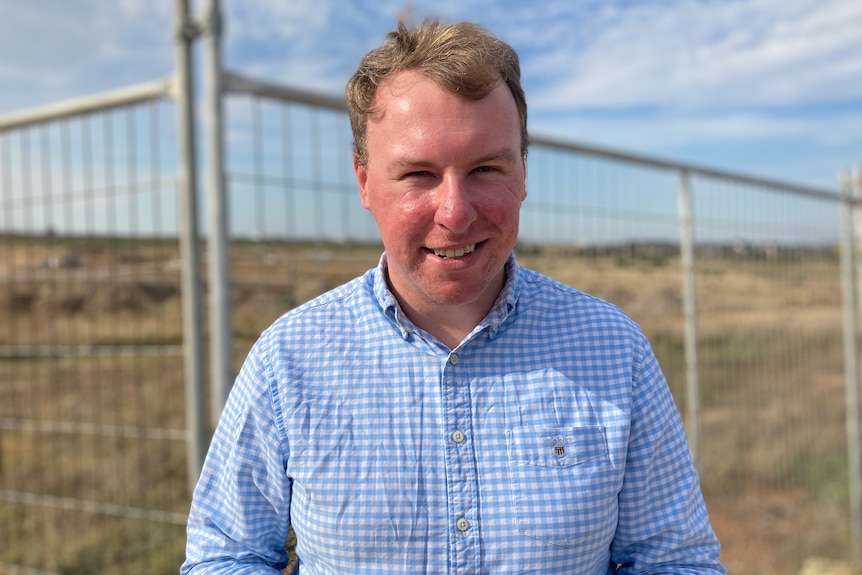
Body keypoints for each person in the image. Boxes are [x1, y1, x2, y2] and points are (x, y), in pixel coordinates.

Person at [182, 18, 724, 575]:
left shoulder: (614, 350)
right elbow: (227, 554)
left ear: (522, 174)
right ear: (364, 182)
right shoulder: (289, 360)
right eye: (418, 173)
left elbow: (673, 558)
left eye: (485, 168)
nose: (456, 212)